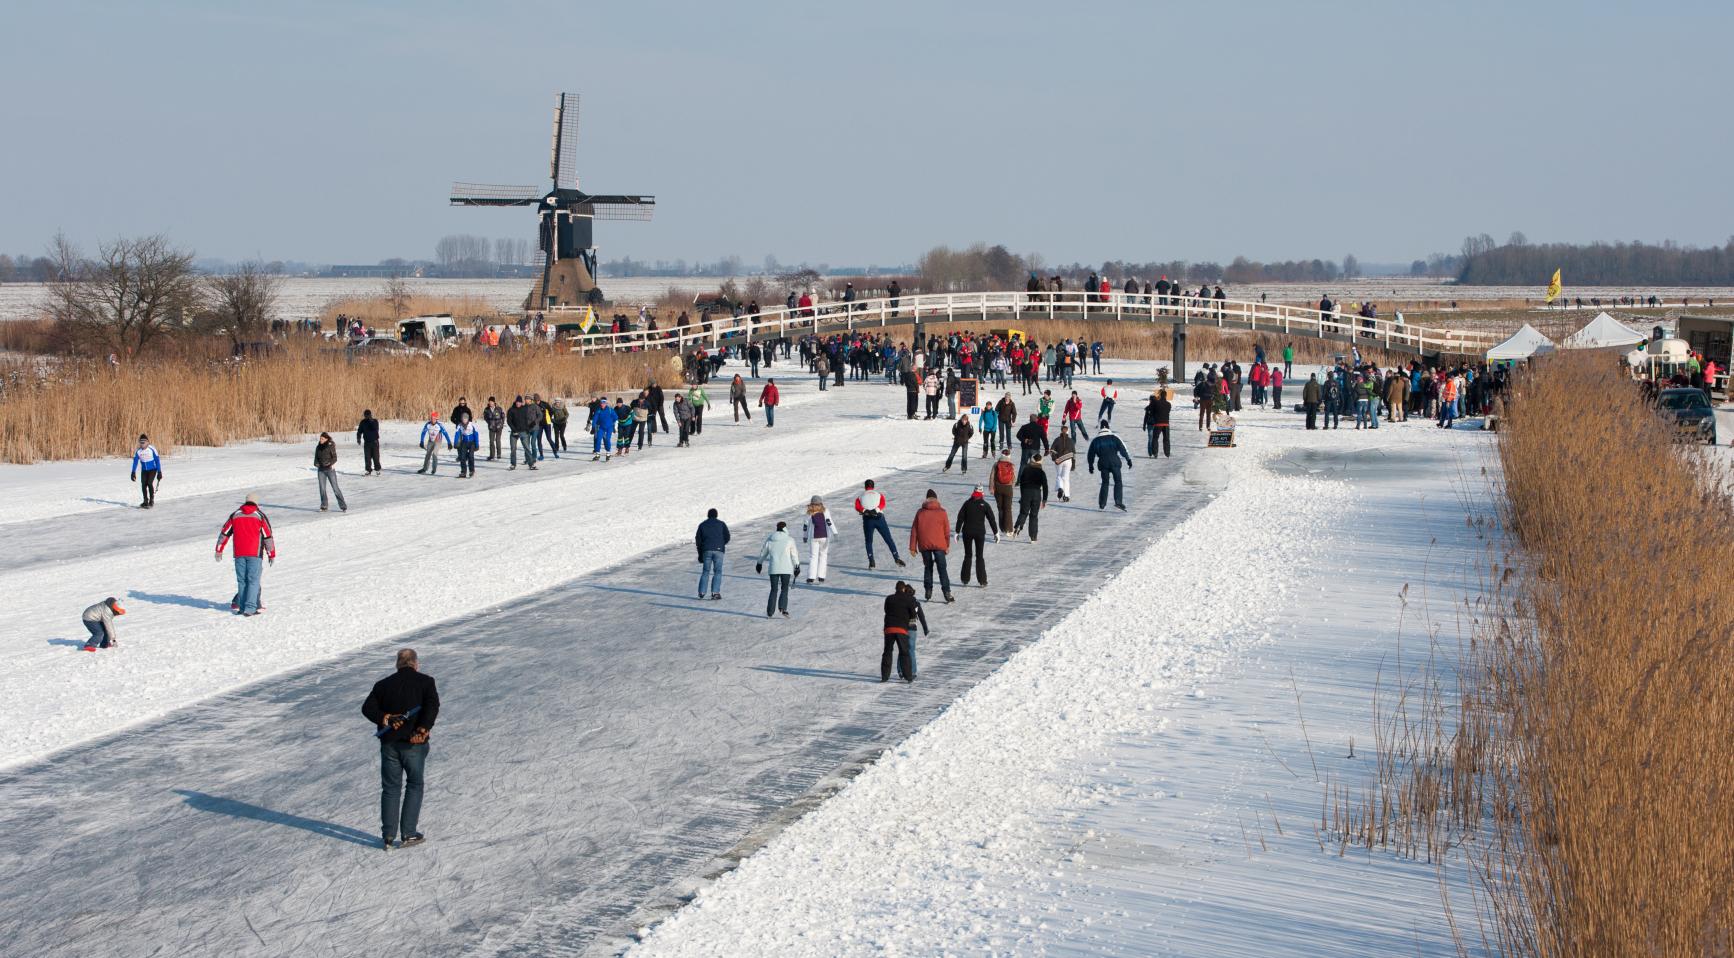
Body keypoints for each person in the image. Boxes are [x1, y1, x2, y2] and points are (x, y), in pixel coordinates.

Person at [362, 647, 440, 851]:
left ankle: (388, 837)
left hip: (389, 744)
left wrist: (385, 718)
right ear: (415, 663)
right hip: (414, 744)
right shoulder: (425, 681)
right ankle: (408, 834)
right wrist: (423, 728)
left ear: (398, 664)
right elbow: (433, 706)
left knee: (390, 788)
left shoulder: (383, 685)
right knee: (414, 784)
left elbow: (367, 708)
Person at [215, 494, 274, 617]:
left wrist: (219, 549)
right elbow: (267, 536)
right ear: (256, 503)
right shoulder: (260, 516)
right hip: (255, 553)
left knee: (242, 581)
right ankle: (250, 608)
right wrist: (271, 553)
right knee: (253, 581)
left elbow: (224, 533)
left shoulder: (235, 515)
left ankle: (242, 607)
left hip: (239, 554)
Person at [908, 488, 954, 602]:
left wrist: (912, 547)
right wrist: (947, 545)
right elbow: (946, 531)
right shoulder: (942, 512)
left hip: (924, 544)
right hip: (940, 545)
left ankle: (928, 591)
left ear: (926, 499)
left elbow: (914, 530)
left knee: (928, 568)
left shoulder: (920, 512)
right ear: (936, 499)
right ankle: (947, 593)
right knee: (942, 569)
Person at [880, 581, 928, 683]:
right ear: (903, 589)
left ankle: (885, 676)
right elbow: (913, 614)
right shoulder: (909, 599)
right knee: (905, 652)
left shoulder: (889, 598)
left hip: (889, 628)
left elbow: (886, 610)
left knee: (887, 652)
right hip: (901, 628)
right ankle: (909, 676)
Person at [854, 479, 907, 570]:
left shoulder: (860, 497)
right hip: (879, 519)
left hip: (868, 520)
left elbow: (857, 506)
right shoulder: (879, 495)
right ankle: (896, 558)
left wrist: (865, 511)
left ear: (865, 487)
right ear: (873, 486)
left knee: (869, 541)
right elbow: (883, 503)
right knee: (888, 539)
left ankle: (871, 562)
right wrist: (876, 510)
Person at [954, 486, 999, 588]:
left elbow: (960, 518)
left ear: (973, 492)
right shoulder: (985, 505)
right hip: (979, 533)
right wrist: (996, 532)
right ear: (982, 494)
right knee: (979, 556)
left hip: (967, 532)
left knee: (968, 555)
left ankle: (965, 579)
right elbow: (991, 519)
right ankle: (982, 581)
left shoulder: (967, 503)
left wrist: (957, 531)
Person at [756, 521, 800, 618]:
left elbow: (763, 552)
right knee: (784, 589)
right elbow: (794, 555)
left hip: (773, 569)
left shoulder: (770, 539)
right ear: (785, 528)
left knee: (774, 590)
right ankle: (783, 608)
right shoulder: (790, 540)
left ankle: (770, 612)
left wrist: (759, 563)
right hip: (786, 569)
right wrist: (797, 566)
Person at [1087, 426, 1134, 510]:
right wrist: (1128, 459)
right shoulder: (1114, 437)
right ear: (1108, 428)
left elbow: (1091, 454)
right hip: (1114, 462)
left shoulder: (1096, 440)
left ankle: (1102, 504)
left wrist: (1091, 465)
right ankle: (1118, 501)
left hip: (1103, 463)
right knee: (1118, 481)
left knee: (1105, 483)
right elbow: (1123, 449)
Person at [1011, 455, 1049, 541]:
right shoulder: (1041, 472)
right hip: (1036, 494)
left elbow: (1021, 483)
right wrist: (1044, 500)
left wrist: (1022, 495)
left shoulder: (1026, 470)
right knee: (1034, 516)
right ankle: (1033, 537)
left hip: (1026, 492)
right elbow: (1045, 486)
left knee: (1023, 512)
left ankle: (1017, 526)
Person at [695, 508, 730, 599]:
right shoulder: (721, 524)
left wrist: (700, 553)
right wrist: (721, 544)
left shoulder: (702, 525)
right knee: (717, 571)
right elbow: (727, 537)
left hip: (706, 550)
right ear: (716, 515)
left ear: (708, 515)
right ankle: (715, 593)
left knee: (706, 571)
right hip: (719, 551)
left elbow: (698, 540)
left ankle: (702, 592)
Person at [801, 496, 835, 583]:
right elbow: (830, 522)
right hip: (825, 537)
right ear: (821, 503)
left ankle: (811, 577)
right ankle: (821, 576)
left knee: (813, 556)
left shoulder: (809, 513)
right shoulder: (825, 511)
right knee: (823, 556)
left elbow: (805, 526)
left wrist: (805, 536)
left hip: (814, 537)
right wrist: (835, 532)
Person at [314, 432, 347, 512]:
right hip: (321, 471)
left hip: (330, 470)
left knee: (335, 488)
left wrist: (330, 463)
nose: (320, 440)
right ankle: (324, 505)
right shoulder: (318, 447)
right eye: (320, 438)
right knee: (322, 488)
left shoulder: (330, 446)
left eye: (322, 439)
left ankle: (343, 505)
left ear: (326, 439)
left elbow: (335, 457)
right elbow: (316, 458)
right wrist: (316, 464)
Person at [129, 434, 162, 508]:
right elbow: (135, 462)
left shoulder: (152, 449)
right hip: (144, 470)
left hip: (152, 469)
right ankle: (145, 501)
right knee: (143, 485)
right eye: (140, 442)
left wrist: (159, 472)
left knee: (149, 483)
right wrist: (133, 472)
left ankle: (151, 500)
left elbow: (157, 461)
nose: (142, 444)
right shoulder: (138, 451)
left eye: (144, 442)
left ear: (147, 442)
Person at [506, 396, 539, 470]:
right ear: (515, 402)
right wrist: (513, 429)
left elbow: (529, 418)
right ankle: (513, 464)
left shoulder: (525, 409)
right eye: (517, 402)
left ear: (521, 403)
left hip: (524, 432)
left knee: (527, 448)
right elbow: (509, 421)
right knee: (513, 449)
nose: (518, 403)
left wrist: (530, 426)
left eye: (520, 402)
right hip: (514, 432)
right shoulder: (511, 410)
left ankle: (531, 464)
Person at [989, 449, 1017, 533]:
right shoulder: (1011, 465)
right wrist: (1011, 484)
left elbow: (992, 477)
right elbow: (1014, 478)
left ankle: (1002, 528)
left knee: (1000, 509)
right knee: (1008, 509)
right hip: (1008, 488)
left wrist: (991, 488)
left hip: (998, 488)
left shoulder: (996, 464)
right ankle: (1009, 529)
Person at [1144, 392, 1172, 457]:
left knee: (1155, 438)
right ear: (1166, 396)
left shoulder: (1157, 403)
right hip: (1166, 424)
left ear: (1160, 395)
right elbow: (1168, 411)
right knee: (1166, 439)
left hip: (1158, 423)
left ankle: (1155, 453)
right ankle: (1167, 453)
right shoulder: (1168, 404)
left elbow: (1152, 412)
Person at [1051, 429, 1076, 502]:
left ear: (1061, 432)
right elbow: (1074, 453)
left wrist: (1054, 458)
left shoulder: (1057, 440)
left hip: (1059, 460)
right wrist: (1073, 464)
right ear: (1068, 432)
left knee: (1059, 475)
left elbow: (1052, 450)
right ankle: (1066, 496)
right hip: (1068, 460)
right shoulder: (1071, 440)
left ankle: (1060, 488)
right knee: (1066, 478)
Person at [591, 396, 618, 461]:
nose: (602, 404)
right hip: (601, 428)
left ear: (606, 403)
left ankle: (608, 453)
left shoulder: (610, 410)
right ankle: (597, 455)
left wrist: (613, 425)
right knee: (598, 439)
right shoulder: (598, 411)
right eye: (601, 403)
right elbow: (594, 419)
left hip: (609, 428)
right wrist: (593, 427)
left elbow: (616, 417)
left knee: (607, 440)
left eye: (603, 403)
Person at [356, 410, 382, 475]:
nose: (366, 416)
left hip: (375, 442)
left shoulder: (374, 421)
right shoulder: (363, 422)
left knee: (376, 457)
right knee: (367, 457)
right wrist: (358, 438)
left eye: (368, 415)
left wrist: (371, 421)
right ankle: (368, 470)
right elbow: (359, 431)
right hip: (367, 442)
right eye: (365, 415)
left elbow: (375, 428)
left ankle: (377, 469)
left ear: (370, 415)